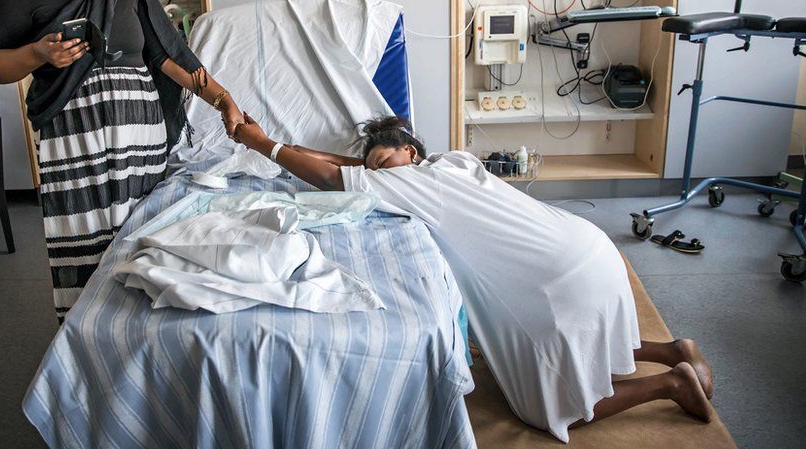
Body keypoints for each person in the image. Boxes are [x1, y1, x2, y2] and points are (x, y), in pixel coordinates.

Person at [232, 114, 715, 442]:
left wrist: (262, 143)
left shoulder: (414, 184)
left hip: (556, 279)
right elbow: (354, 168)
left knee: (546, 409)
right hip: (587, 247)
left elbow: (332, 177)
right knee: (575, 344)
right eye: (372, 166)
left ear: (409, 151)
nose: (376, 173)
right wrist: (343, 158)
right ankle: (672, 350)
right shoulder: (455, 162)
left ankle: (669, 384)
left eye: (384, 162)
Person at [0, 0, 242, 322]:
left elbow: (168, 56)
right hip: (74, 143)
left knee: (146, 237)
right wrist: (36, 52)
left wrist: (223, 99)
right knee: (84, 240)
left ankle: (146, 336)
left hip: (140, 140)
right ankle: (86, 335)